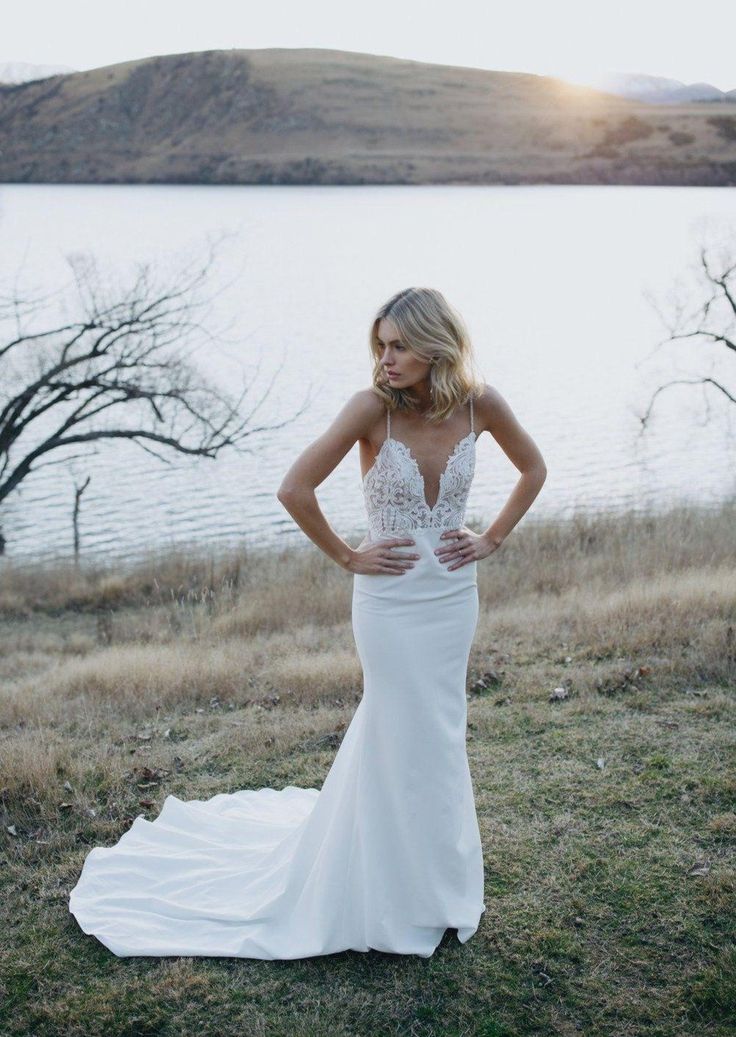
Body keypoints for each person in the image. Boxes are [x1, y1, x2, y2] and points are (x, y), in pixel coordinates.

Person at [68, 286, 546, 960]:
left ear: (436, 343)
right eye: (380, 344)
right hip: (388, 602)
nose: (386, 358)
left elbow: (535, 468)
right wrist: (351, 555)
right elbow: (295, 489)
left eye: (400, 345)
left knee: (440, 732)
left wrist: (492, 538)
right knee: (395, 723)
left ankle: (437, 884)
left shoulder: (481, 403)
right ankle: (381, 888)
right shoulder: (370, 409)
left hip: (451, 597)